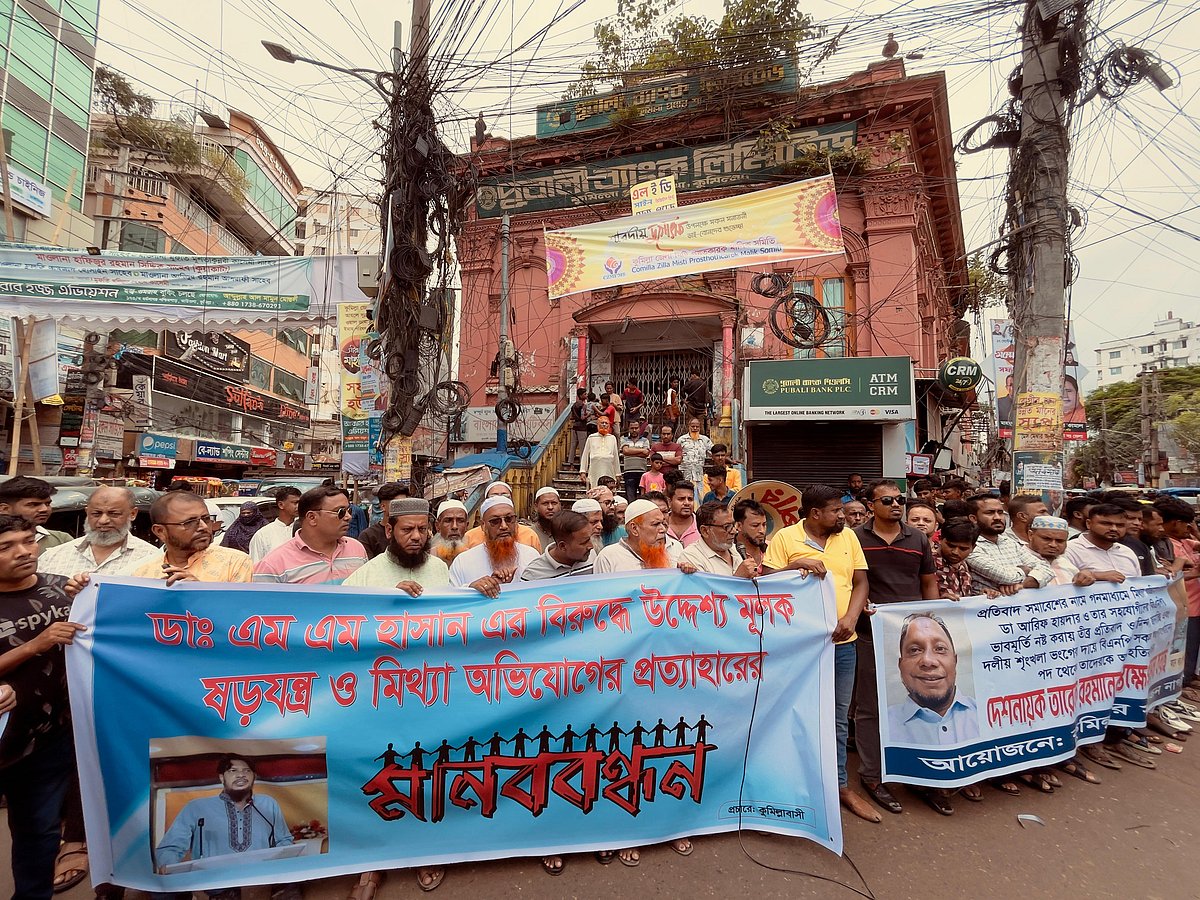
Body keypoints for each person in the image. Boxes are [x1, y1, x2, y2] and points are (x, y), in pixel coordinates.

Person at [761, 485, 875, 822]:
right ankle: (789, 785)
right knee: (791, 714)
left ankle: (839, 785)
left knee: (837, 718)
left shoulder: (848, 538)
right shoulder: (785, 538)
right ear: (815, 514)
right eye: (836, 511)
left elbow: (861, 583)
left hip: (842, 644)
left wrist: (850, 618)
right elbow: (765, 583)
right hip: (798, 647)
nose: (843, 516)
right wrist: (796, 565)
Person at [0, 514, 82, 900]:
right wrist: (36, 645)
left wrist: (91, 592)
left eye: (29, 540)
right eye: (6, 547)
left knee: (40, 833)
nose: (24, 552)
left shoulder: (60, 589)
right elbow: (42, 644)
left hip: (48, 740)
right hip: (5, 739)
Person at [853, 479, 939, 815]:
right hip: (869, 634)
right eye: (887, 500)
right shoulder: (854, 539)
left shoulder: (917, 539)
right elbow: (850, 583)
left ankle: (920, 774)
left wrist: (933, 623)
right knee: (870, 707)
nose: (895, 505)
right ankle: (872, 776)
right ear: (870, 504)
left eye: (900, 499)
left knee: (917, 704)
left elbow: (928, 583)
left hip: (913, 640)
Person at [154, 755, 296, 883]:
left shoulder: (268, 804)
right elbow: (171, 847)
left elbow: (284, 841)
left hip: (260, 880)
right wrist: (169, 866)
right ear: (222, 777)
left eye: (247, 771)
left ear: (254, 777)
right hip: (211, 884)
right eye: (233, 771)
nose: (241, 775)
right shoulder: (196, 807)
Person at [887, 613, 979, 745]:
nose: (928, 661)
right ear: (900, 666)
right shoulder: (882, 725)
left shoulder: (990, 716)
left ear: (955, 661)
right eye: (915, 650)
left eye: (940, 649)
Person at [253, 486, 368, 585]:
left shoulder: (357, 549)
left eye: (349, 511)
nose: (348, 517)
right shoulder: (273, 565)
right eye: (340, 512)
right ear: (312, 518)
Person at [133, 493, 254, 583]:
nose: (203, 526)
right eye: (190, 522)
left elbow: (239, 609)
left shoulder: (234, 563)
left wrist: (197, 593)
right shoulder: (142, 574)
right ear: (160, 531)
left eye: (206, 519)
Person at [37, 486, 157, 577]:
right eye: (96, 514)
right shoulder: (53, 557)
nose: (103, 521)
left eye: (114, 514)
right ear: (87, 513)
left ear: (132, 514)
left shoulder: (152, 558)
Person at [342, 499, 448, 593]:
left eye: (422, 529)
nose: (416, 536)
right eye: (407, 529)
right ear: (389, 531)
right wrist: (390, 597)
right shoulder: (365, 576)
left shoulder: (440, 568)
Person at [449, 496, 541, 596]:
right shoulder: (463, 562)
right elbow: (452, 599)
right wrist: (471, 589)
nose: (504, 526)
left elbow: (541, 594)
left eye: (509, 519)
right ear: (483, 526)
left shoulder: (531, 556)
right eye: (495, 521)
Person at [964, 495, 1053, 595]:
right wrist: (1026, 570)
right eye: (990, 513)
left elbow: (1047, 569)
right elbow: (1007, 577)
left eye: (1000, 512)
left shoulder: (1009, 542)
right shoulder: (970, 546)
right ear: (973, 518)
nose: (997, 518)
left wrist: (1023, 585)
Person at [1156, 497, 1200, 685]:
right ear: (1176, 522)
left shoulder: (1184, 541)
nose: (1188, 528)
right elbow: (1168, 577)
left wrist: (1196, 532)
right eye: (1186, 524)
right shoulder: (1165, 546)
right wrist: (1195, 573)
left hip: (1193, 606)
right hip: (1180, 608)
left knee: (1190, 652)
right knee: (1180, 654)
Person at [594, 498, 696, 575]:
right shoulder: (608, 557)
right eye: (656, 524)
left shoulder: (675, 548)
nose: (663, 529)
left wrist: (686, 572)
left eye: (662, 523)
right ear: (634, 528)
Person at [1062, 503, 1142, 582]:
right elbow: (1062, 584)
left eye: (1120, 525)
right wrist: (1096, 576)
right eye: (1106, 524)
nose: (1114, 529)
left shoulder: (1127, 552)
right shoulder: (1069, 550)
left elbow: (1138, 584)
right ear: (1089, 524)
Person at [462, 483, 542, 551]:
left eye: (505, 496)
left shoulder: (529, 535)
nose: (503, 526)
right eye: (494, 497)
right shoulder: (470, 537)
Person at [679, 502, 750, 577]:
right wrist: (739, 577)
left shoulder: (736, 550)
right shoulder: (691, 557)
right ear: (705, 531)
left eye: (733, 524)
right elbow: (702, 585)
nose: (734, 531)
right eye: (727, 527)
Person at [521, 509, 596, 580]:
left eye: (589, 539)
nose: (591, 546)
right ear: (562, 546)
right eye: (584, 542)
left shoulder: (591, 556)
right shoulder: (533, 574)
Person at [0, 476, 71, 548]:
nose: (44, 509)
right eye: (33, 504)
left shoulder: (61, 540)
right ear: (4, 509)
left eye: (47, 504)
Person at [1028, 516, 1096, 588]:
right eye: (1046, 539)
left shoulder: (1067, 564)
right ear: (1031, 535)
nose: (1053, 545)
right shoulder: (1020, 561)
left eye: (1059, 541)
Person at [1105, 494, 1157, 576]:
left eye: (1139, 519)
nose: (1137, 523)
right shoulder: (1086, 545)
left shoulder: (1140, 546)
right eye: (1130, 518)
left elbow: (1148, 578)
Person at [934, 518, 984, 601]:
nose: (955, 552)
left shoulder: (964, 565)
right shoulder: (929, 564)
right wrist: (938, 600)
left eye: (963, 549)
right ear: (940, 539)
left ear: (973, 548)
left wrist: (982, 595)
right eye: (951, 546)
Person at [355, 483, 409, 560]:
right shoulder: (368, 536)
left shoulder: (413, 533)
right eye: (398, 505)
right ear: (383, 506)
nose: (403, 509)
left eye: (405, 504)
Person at [249, 487, 301, 563]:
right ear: (281, 505)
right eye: (295, 503)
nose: (299, 506)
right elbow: (256, 564)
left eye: (300, 503)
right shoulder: (263, 534)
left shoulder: (304, 530)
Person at [579, 415, 620, 490]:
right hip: (595, 469)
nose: (604, 425)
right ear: (597, 425)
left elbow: (615, 457)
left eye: (606, 423)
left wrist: (618, 473)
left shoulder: (612, 438)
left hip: (609, 469)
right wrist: (583, 471)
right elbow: (585, 455)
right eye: (602, 423)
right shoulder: (591, 437)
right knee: (595, 488)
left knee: (608, 489)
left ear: (609, 425)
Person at [732, 498, 768, 577]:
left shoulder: (772, 548)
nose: (762, 530)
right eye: (755, 525)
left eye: (764, 524)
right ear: (738, 526)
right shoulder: (728, 553)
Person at [619, 419, 651, 501]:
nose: (634, 430)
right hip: (629, 473)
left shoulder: (645, 440)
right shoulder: (624, 439)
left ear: (639, 428)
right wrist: (641, 450)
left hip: (642, 473)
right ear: (629, 429)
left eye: (636, 428)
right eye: (632, 428)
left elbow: (646, 453)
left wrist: (630, 452)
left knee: (643, 499)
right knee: (630, 498)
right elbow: (625, 451)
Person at [431, 500, 469, 565]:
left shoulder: (472, 558)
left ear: (466, 526)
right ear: (437, 526)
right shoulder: (429, 558)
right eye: (448, 521)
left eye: (460, 521)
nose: (454, 526)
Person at [677, 417, 713, 486]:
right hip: (684, 475)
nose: (695, 428)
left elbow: (714, 452)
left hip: (699, 475)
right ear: (689, 426)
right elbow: (677, 455)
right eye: (693, 426)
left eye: (697, 427)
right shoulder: (681, 440)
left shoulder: (705, 440)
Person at [665, 480, 699, 548]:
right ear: (669, 502)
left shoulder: (703, 526)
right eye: (681, 499)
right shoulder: (659, 526)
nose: (687, 503)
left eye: (690, 499)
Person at [529, 487, 561, 552]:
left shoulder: (567, 533)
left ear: (560, 505)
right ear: (536, 507)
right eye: (545, 503)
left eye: (554, 503)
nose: (550, 507)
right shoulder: (529, 533)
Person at [568, 387, 590, 466]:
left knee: (573, 445)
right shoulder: (583, 405)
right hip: (582, 427)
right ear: (581, 395)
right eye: (585, 394)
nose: (586, 395)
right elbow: (582, 417)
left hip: (575, 426)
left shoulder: (574, 405)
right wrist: (589, 415)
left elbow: (571, 417)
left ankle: (571, 463)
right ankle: (582, 464)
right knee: (582, 446)